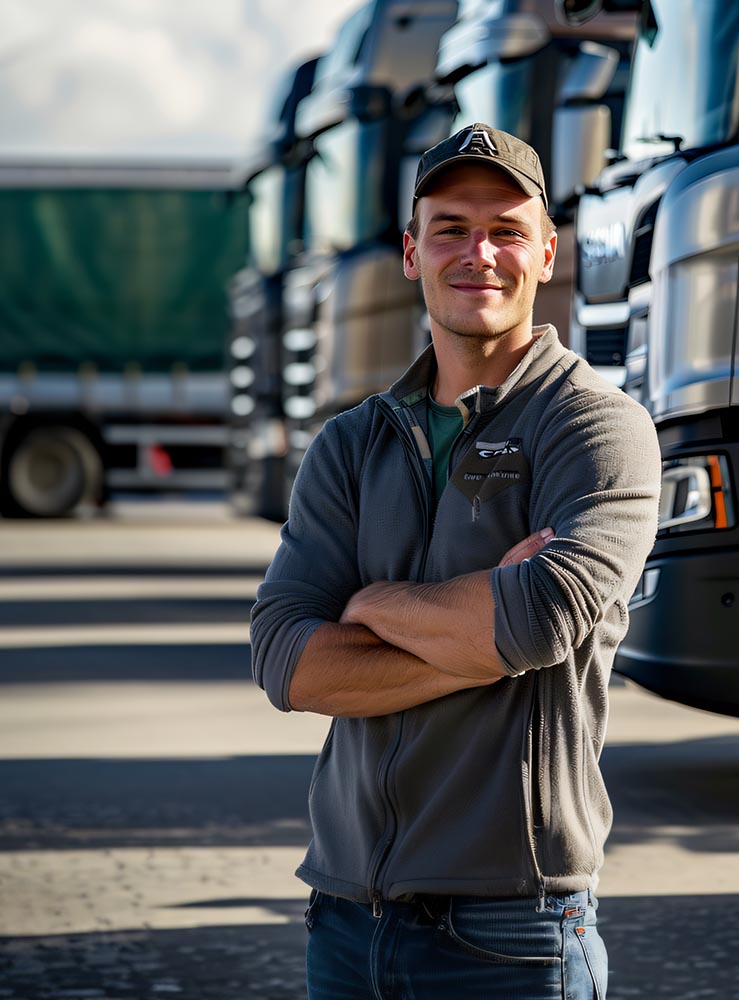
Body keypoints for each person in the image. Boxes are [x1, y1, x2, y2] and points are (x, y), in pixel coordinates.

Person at [250, 122, 661, 999]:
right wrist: (480, 639)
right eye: (451, 229)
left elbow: (540, 618)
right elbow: (287, 662)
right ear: (412, 252)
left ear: (546, 253)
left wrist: (370, 605)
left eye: (507, 230)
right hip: (344, 918)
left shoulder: (596, 427)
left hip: (513, 928)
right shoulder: (351, 444)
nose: (480, 253)